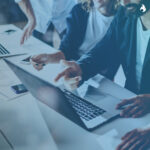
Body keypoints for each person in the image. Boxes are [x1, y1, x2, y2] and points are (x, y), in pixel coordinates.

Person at [49, 0, 150, 149]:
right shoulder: (127, 12)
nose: (123, 2)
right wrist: (81, 68)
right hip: (133, 109)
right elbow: (105, 49)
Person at [31, 0, 119, 82]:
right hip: (74, 68)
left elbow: (109, 61)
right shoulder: (79, 10)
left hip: (100, 74)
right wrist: (48, 57)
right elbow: (66, 50)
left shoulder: (122, 21)